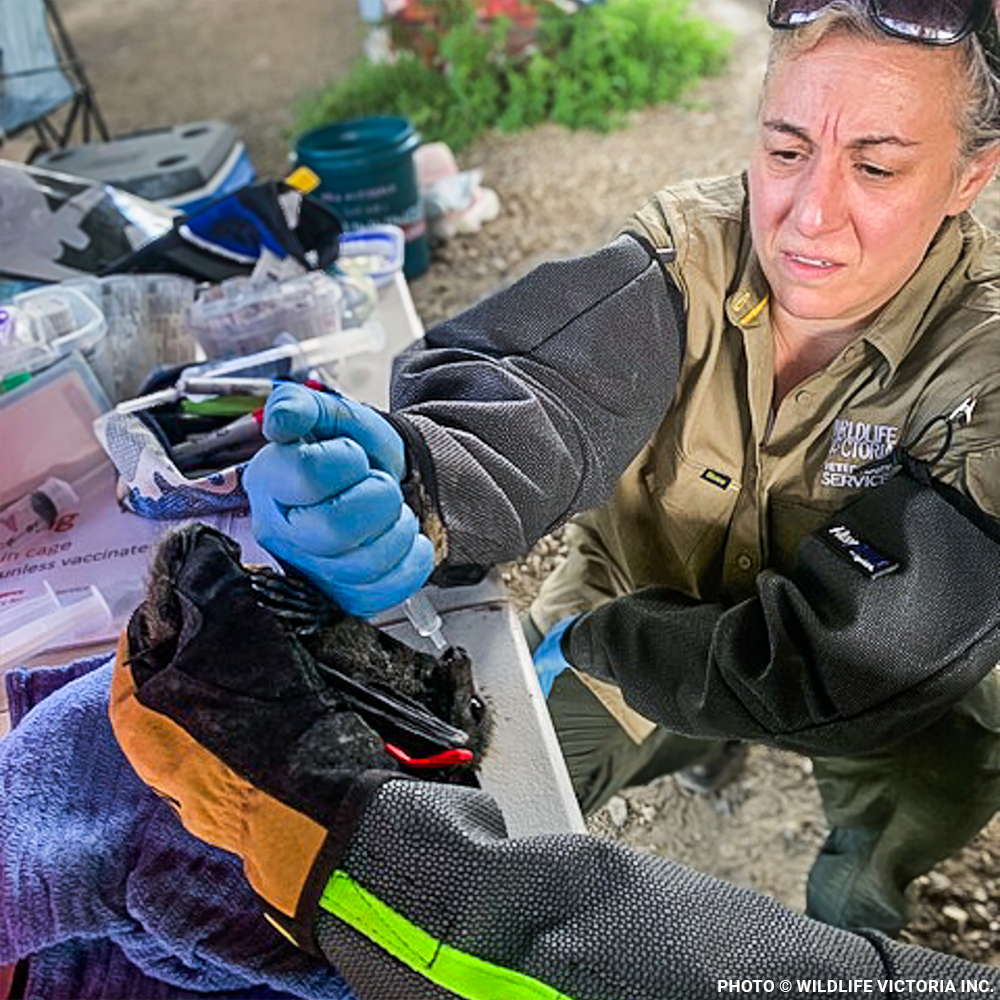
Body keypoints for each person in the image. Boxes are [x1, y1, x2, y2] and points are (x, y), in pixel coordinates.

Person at [111, 1, 1000, 993]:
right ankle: (709, 753)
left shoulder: (987, 365)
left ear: (972, 173)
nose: (807, 216)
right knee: (503, 793)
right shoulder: (688, 253)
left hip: (850, 696)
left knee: (874, 864)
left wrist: (596, 643)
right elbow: (543, 386)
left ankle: (857, 887)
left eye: (876, 168)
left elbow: (862, 664)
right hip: (641, 608)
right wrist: (420, 477)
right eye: (785, 149)